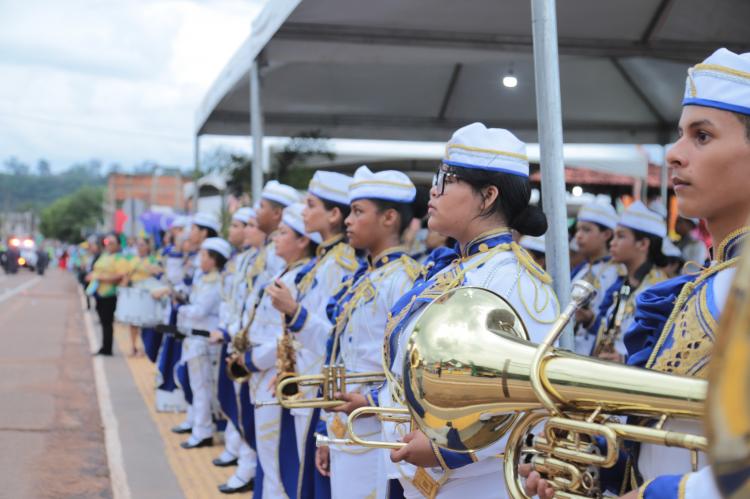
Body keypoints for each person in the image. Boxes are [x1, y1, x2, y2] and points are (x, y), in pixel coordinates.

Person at [523, 47, 750, 499]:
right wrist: (589, 471)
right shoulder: (713, 275)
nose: (674, 154)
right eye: (681, 134)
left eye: (702, 136)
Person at [338, 123, 558, 498]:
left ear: (487, 196)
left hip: (479, 482)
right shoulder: (453, 269)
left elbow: (529, 397)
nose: (434, 190)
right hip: (418, 474)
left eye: (447, 179)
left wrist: (448, 450)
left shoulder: (519, 282)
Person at [309, 167, 421, 499]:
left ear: (389, 218)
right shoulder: (365, 277)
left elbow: (408, 364)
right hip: (345, 420)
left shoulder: (404, 279)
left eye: (358, 212)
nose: (348, 220)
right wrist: (326, 432)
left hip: (376, 424)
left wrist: (372, 401)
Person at [265, 170, 359, 498]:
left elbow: (334, 341)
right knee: (299, 473)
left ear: (333, 214)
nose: (304, 211)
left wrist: (294, 311)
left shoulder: (342, 265)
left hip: (322, 387)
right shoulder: (324, 262)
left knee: (314, 479)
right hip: (306, 383)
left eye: (311, 204)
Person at [243, 201, 316, 498]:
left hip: (274, 373)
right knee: (268, 457)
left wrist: (250, 360)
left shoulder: (298, 280)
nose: (275, 237)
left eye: (284, 232)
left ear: (303, 241)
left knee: (277, 463)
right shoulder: (287, 275)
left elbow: (284, 338)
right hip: (264, 373)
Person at [210, 207, 259, 494]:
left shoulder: (265, 260)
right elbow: (233, 302)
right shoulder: (241, 260)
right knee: (236, 404)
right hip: (234, 337)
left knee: (250, 413)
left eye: (246, 224)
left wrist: (234, 333)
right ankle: (237, 454)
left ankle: (246, 466)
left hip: (249, 344)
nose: (236, 230)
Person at [586, 201, 668, 362]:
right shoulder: (622, 283)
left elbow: (663, 345)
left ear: (643, 244)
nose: (612, 242)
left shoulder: (659, 290)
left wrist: (624, 359)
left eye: (621, 236)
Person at [176, 237, 231, 449]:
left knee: (202, 388)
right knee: (196, 386)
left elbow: (199, 311)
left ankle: (203, 431)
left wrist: (181, 309)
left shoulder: (215, 283)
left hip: (204, 339)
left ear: (213, 259)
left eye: (204, 255)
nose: (200, 259)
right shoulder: (204, 280)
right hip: (193, 338)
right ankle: (200, 428)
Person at [570, 200, 621, 355]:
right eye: (578, 230)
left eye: (586, 230)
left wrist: (590, 320)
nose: (578, 235)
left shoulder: (617, 272)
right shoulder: (580, 269)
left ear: (606, 234)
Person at [86, 234, 130, 356]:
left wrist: (101, 278)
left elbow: (121, 275)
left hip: (110, 293)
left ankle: (107, 348)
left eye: (112, 243)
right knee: (103, 320)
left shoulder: (120, 258)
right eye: (107, 243)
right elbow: (96, 270)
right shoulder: (104, 256)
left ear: (118, 245)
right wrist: (92, 276)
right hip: (99, 292)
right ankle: (104, 346)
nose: (109, 245)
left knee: (107, 321)